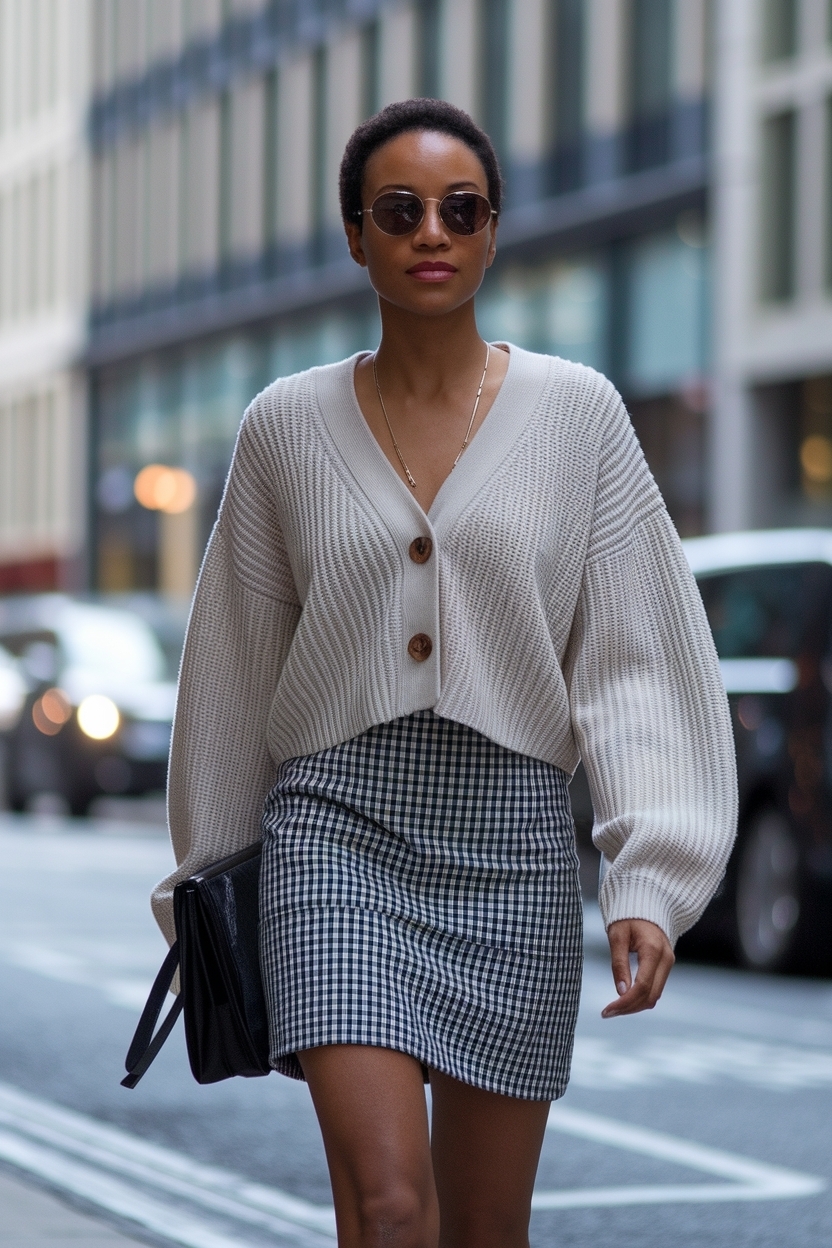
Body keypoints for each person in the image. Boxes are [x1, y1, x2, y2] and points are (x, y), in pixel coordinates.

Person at [152, 98, 737, 1248]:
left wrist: (649, 875)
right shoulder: (283, 427)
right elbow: (233, 663)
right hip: (336, 836)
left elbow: (633, 657)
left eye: (460, 209)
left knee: (482, 1226)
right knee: (386, 1205)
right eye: (400, 209)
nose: (432, 231)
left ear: (493, 229)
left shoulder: (580, 418)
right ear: (354, 233)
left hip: (511, 846)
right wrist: (206, 889)